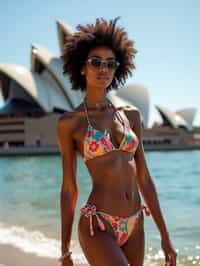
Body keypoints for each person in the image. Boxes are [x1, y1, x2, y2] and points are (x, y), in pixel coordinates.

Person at [57, 17, 177, 266]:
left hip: (136, 223)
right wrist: (65, 249)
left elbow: (144, 177)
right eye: (96, 62)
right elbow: (69, 188)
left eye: (111, 63)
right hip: (98, 224)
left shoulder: (131, 115)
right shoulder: (70, 123)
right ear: (82, 67)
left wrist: (165, 236)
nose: (104, 69)